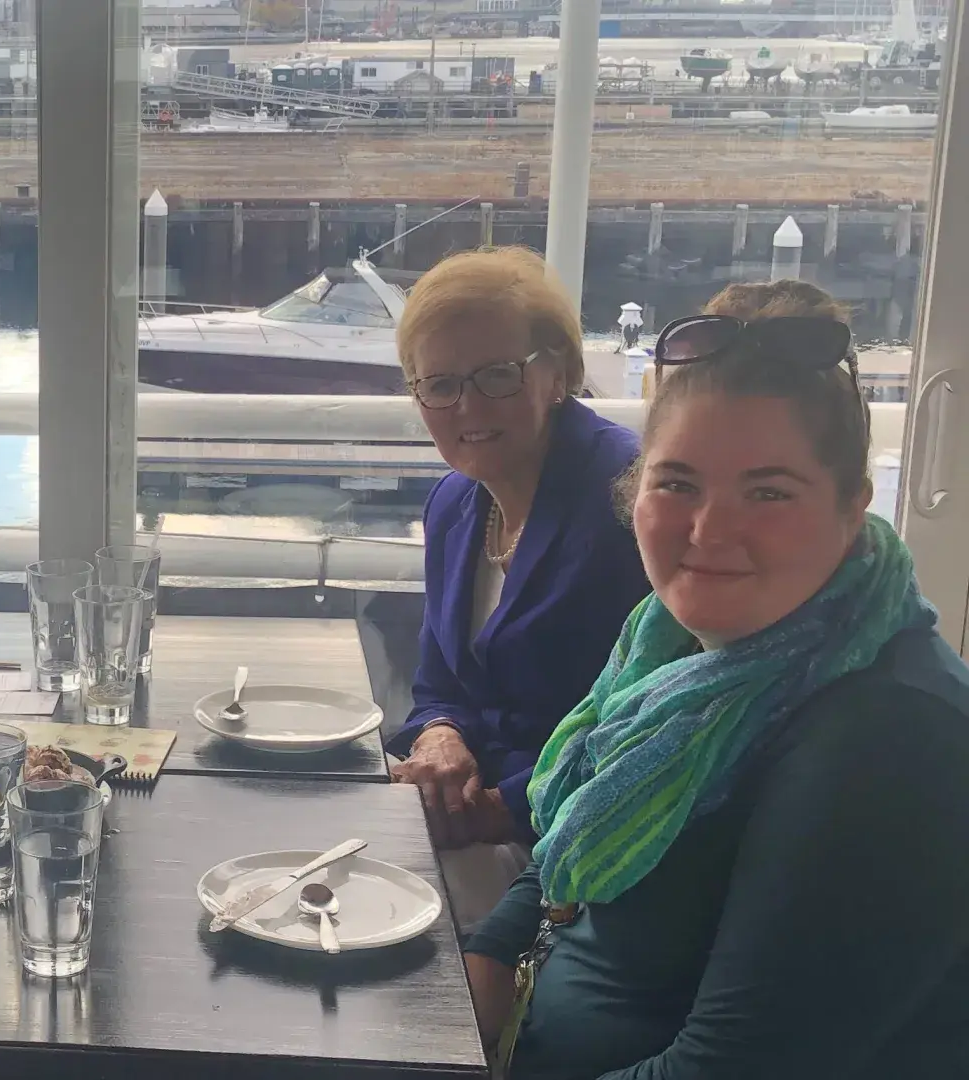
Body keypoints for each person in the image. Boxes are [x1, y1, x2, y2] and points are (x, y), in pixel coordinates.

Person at [466, 281, 969, 1078]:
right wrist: (469, 981)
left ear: (853, 508)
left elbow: (732, 1069)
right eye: (678, 483)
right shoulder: (673, 646)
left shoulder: (892, 736)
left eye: (768, 492)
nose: (710, 529)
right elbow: (577, 841)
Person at [384, 247, 651, 931]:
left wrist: (499, 808)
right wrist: (440, 739)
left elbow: (645, 726)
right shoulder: (454, 503)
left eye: (497, 376)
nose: (467, 405)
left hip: (585, 852)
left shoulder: (629, 501)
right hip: (476, 826)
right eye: (439, 384)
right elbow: (439, 683)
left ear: (558, 372)